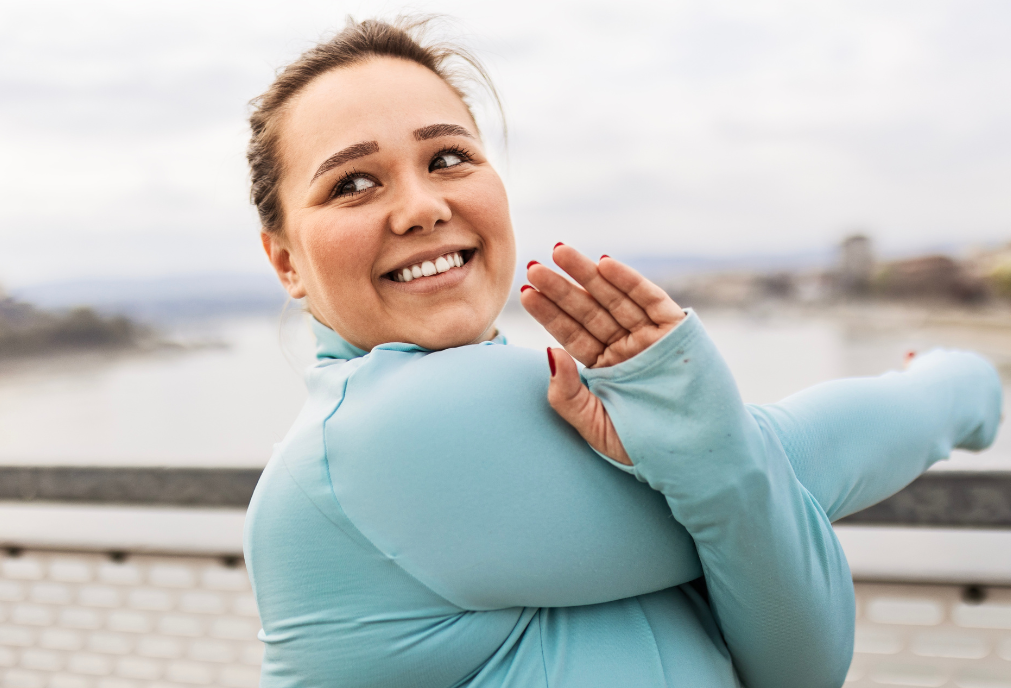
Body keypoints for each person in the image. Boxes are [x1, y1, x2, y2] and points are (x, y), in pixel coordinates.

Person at [242, 17, 1002, 688]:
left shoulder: (546, 437)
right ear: (285, 263)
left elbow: (801, 666)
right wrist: (956, 385)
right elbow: (790, 463)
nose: (422, 206)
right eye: (353, 182)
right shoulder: (377, 432)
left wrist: (710, 457)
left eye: (446, 159)